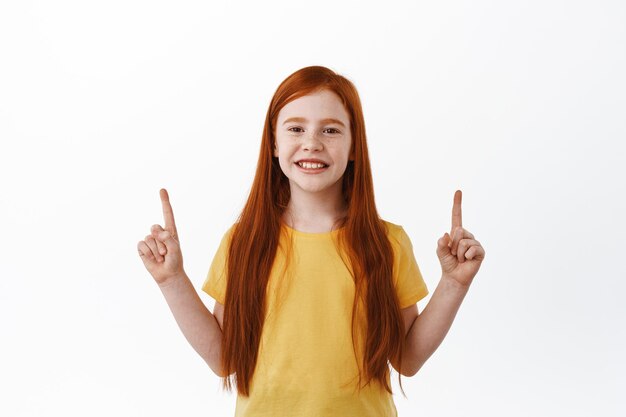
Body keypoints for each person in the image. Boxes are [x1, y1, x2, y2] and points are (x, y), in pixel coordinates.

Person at [137, 65, 485, 416]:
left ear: (353, 147)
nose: (312, 143)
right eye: (296, 128)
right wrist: (171, 280)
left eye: (331, 130)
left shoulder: (386, 242)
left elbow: (407, 359)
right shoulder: (244, 242)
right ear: (274, 143)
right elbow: (224, 358)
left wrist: (453, 284)